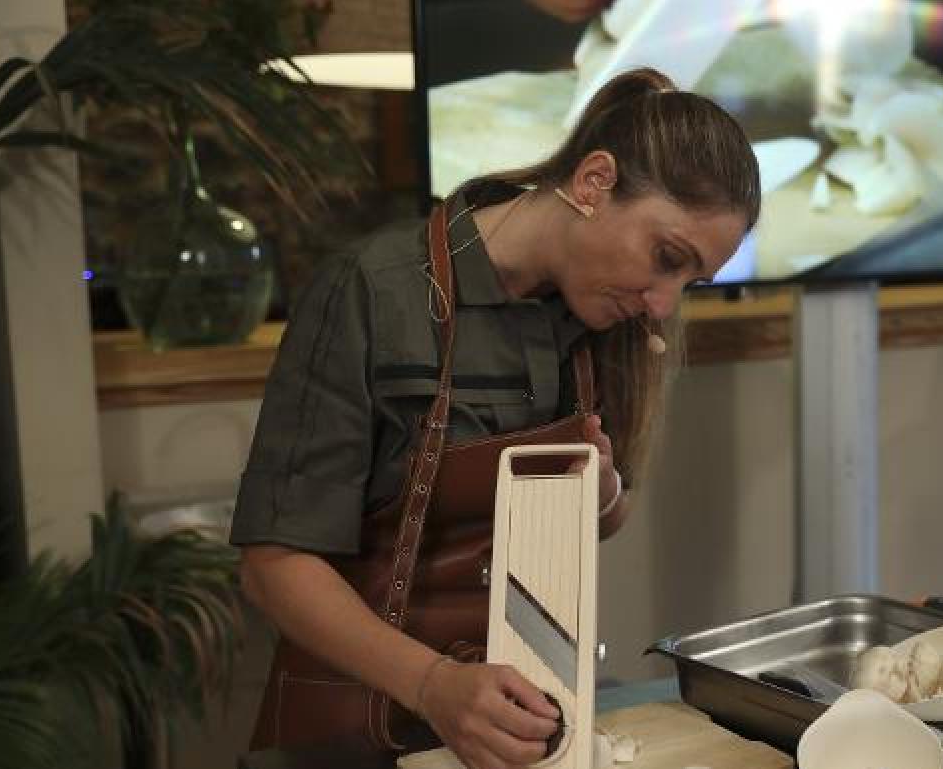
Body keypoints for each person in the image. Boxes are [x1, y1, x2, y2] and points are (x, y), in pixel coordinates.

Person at [232, 67, 759, 769]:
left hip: (523, 725)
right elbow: (273, 566)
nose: (664, 303)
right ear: (593, 182)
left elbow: (612, 511)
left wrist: (601, 490)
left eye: (690, 280)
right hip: (362, 732)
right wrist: (433, 685)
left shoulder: (616, 325)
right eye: (666, 258)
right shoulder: (374, 291)